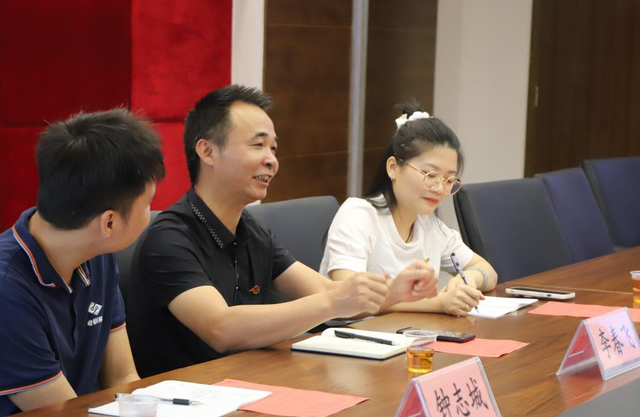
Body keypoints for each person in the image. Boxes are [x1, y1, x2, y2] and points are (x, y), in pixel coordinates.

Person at [127, 85, 438, 377]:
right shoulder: (169, 238)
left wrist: (391, 292)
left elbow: (326, 292)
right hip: (187, 398)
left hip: (250, 382)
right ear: (207, 152)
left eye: (273, 149)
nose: (272, 161)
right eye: (258, 145)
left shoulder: (251, 230)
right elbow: (220, 328)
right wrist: (335, 302)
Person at [0, 108, 165, 417]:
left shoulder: (98, 257)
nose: (152, 212)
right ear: (109, 222)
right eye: (148, 202)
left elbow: (123, 379)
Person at [320, 103, 498, 317]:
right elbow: (350, 298)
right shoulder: (358, 215)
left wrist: (466, 280)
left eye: (449, 179)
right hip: (351, 333)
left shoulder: (429, 224)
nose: (439, 188)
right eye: (430, 175)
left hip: (407, 333)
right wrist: (438, 303)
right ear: (393, 168)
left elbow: (487, 271)